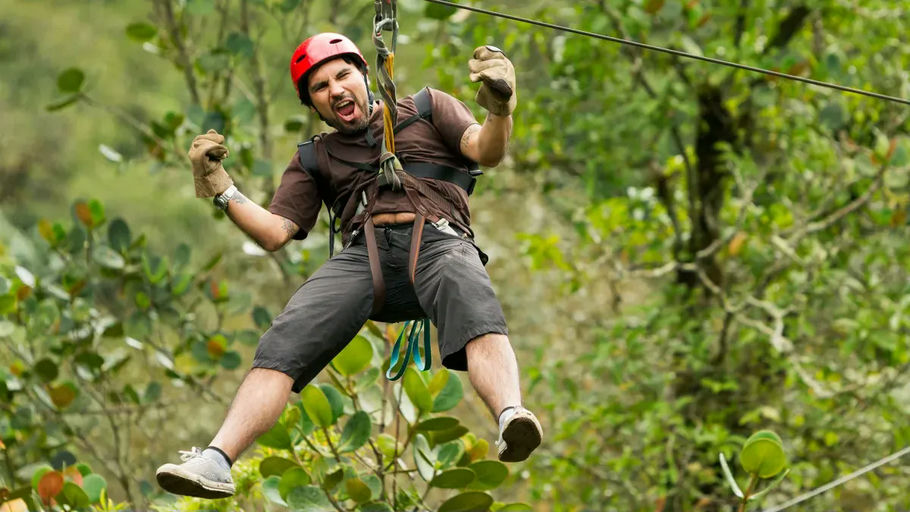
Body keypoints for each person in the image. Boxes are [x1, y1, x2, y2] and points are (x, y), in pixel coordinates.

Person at [155, 33, 542, 499]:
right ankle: (216, 460)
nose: (336, 89)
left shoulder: (426, 108)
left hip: (438, 242)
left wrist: (499, 108)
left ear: (364, 74)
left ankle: (510, 416)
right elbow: (276, 232)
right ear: (313, 104)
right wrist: (221, 188)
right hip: (365, 258)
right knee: (284, 338)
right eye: (321, 87)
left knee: (472, 297)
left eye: (342, 75)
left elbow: (487, 151)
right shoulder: (315, 157)